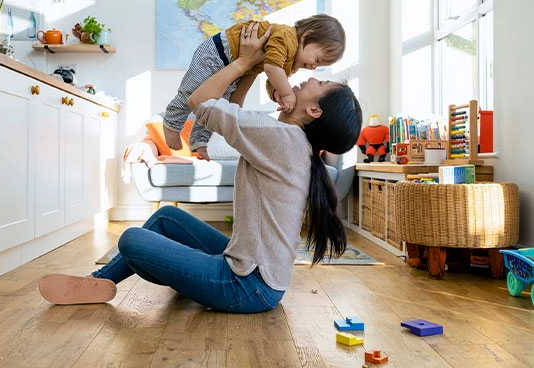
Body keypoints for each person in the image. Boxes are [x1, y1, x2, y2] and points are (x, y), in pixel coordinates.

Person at [38, 22, 362, 313]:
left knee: (131, 240)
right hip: (255, 276)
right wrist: (251, 68)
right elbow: (230, 111)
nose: (311, 77)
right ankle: (99, 283)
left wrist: (244, 61)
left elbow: (199, 100)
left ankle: (164, 274)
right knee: (167, 217)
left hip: (245, 286)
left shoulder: (281, 137)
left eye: (320, 82)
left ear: (314, 110)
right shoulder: (289, 141)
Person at [162, 14, 346, 160]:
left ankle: (199, 140)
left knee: (217, 102)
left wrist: (276, 93)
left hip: (237, 64)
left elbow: (271, 78)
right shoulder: (287, 38)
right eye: (317, 59)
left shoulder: (290, 64)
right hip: (219, 52)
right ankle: (172, 122)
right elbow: (271, 68)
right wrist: (286, 93)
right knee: (190, 89)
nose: (314, 68)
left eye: (320, 66)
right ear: (306, 37)